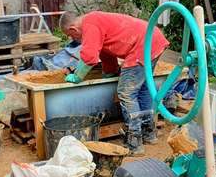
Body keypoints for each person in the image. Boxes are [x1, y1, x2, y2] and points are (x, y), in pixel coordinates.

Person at [59, 11, 169, 154]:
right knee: (143, 88)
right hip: (153, 39)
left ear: (73, 29)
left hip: (143, 44)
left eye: (70, 35)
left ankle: (134, 142)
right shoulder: (95, 21)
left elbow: (89, 58)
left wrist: (77, 77)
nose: (71, 38)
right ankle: (149, 133)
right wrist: (109, 72)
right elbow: (106, 53)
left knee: (127, 93)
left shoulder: (89, 25)